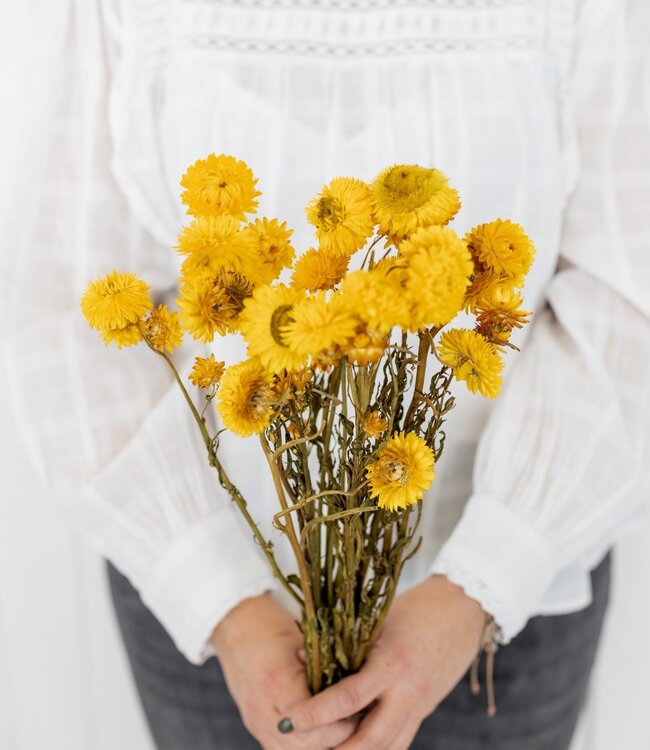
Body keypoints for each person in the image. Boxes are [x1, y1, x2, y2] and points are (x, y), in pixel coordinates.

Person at [1, 1, 649, 748]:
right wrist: (224, 602)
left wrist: (480, 582)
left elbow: (628, 296)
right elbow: (64, 296)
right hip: (206, 598)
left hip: (514, 593)